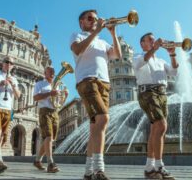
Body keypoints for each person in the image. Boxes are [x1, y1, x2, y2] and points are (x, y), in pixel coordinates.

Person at [70, 10, 122, 180]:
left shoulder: (102, 42)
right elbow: (78, 50)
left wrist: (113, 33)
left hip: (104, 83)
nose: (94, 21)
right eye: (90, 19)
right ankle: (99, 168)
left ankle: (88, 171)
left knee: (95, 127)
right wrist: (97, 31)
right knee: (103, 119)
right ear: (81, 22)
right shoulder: (76, 35)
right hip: (87, 81)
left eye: (96, 19)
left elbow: (117, 55)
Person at [132, 32, 178, 179]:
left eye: (154, 40)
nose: (153, 42)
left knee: (156, 129)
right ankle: (159, 166)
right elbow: (142, 61)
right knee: (161, 125)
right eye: (150, 40)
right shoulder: (138, 57)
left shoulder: (161, 61)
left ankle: (149, 167)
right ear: (142, 44)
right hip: (148, 93)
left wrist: (172, 54)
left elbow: (174, 72)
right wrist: (155, 48)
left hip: (162, 94)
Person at [33, 66, 62, 173]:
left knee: (49, 139)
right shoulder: (40, 84)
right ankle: (50, 163)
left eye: (53, 72)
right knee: (48, 137)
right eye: (50, 72)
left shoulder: (57, 85)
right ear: (45, 73)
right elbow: (35, 98)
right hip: (44, 111)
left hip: (55, 112)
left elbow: (58, 102)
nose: (52, 74)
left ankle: (37, 160)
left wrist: (65, 96)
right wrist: (50, 93)